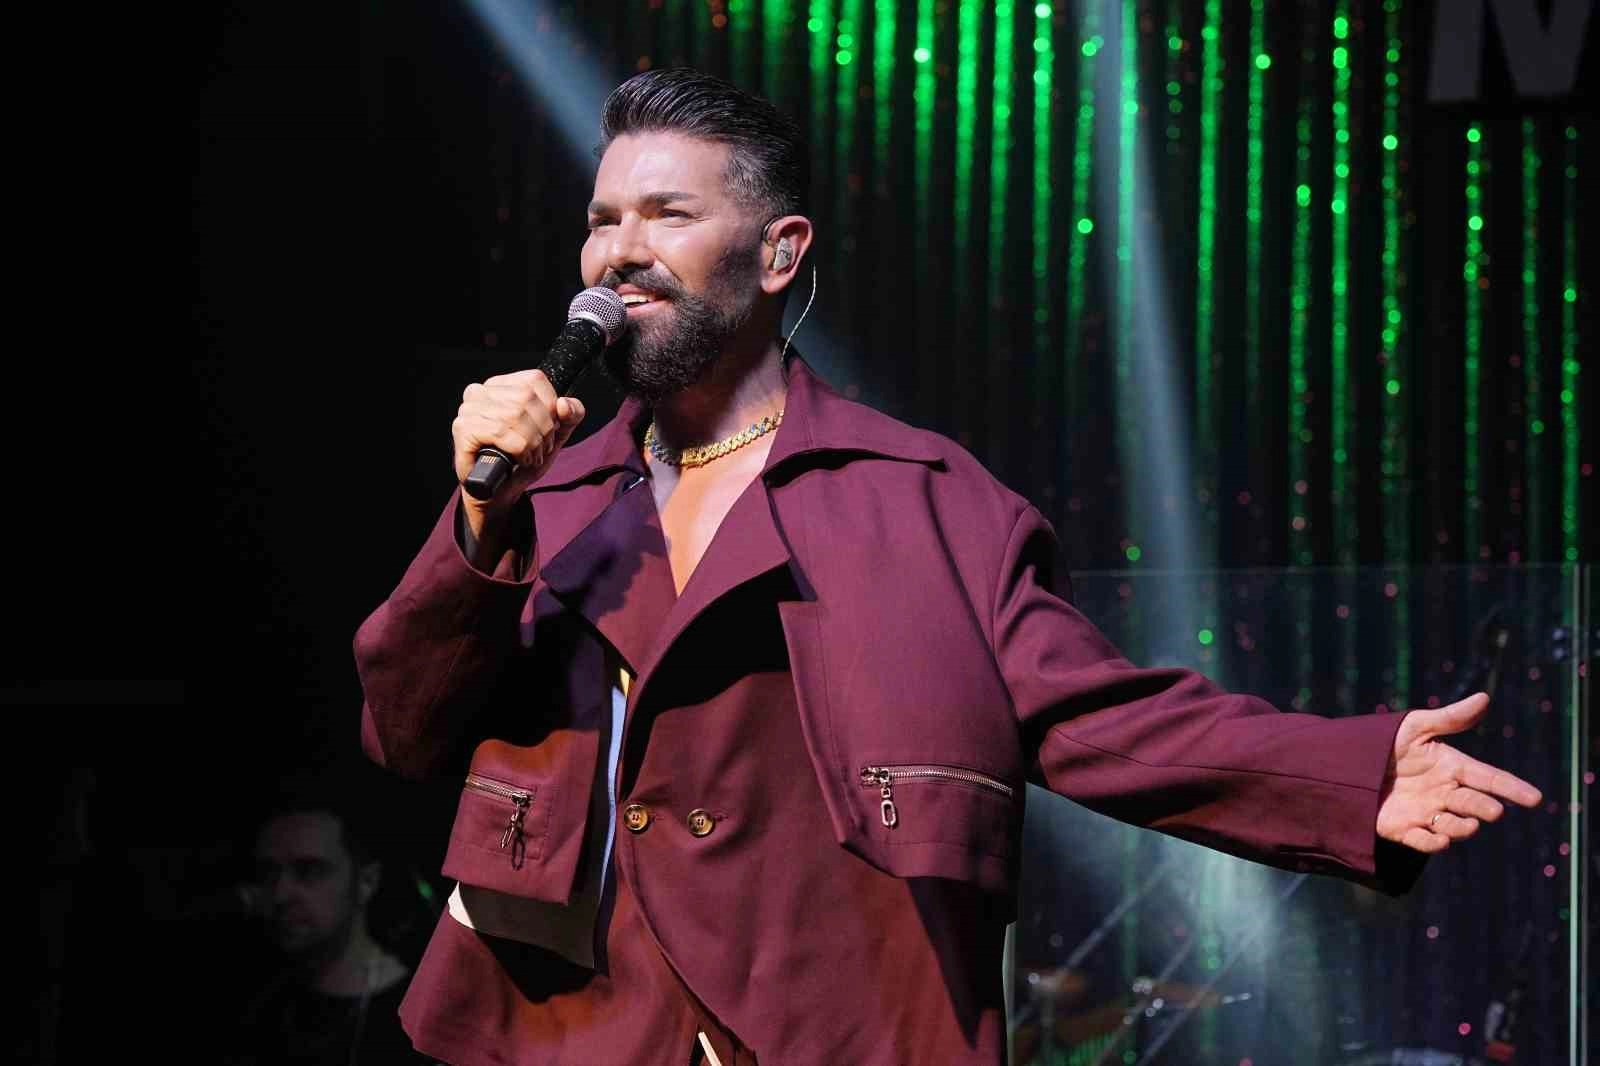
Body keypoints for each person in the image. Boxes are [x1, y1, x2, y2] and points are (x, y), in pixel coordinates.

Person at [352, 68, 1542, 1065]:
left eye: (665, 215)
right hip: (571, 1031)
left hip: (829, 1028)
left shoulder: (926, 502)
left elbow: (1104, 719)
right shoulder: (544, 494)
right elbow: (401, 727)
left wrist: (1346, 777)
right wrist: (480, 515)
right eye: (603, 218)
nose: (618, 254)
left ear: (778, 252)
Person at [226, 790, 434, 1066]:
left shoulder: (421, 1014)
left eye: (309, 871)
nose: (280, 893)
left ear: (367, 881)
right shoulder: (258, 1005)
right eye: (268, 873)